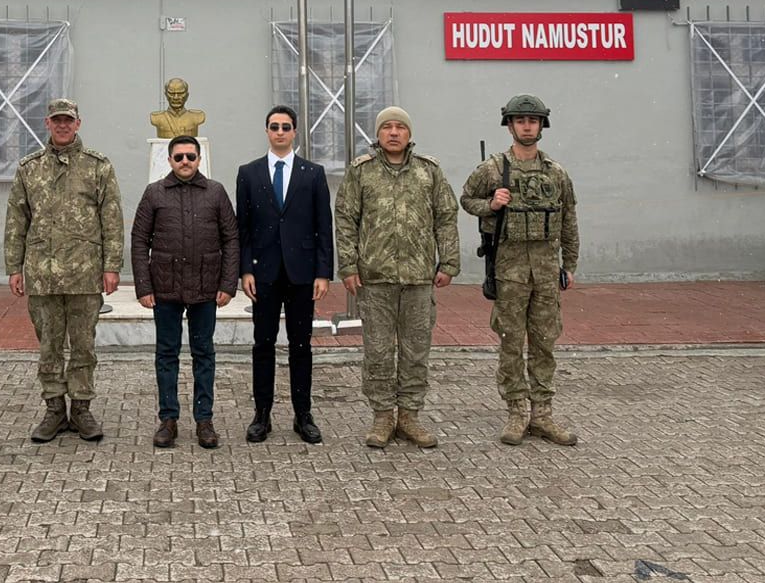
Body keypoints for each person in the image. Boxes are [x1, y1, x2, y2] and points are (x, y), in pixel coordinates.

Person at [334, 106, 460, 449]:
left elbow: (446, 217)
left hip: (418, 279)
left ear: (409, 133)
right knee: (377, 351)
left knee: (415, 351)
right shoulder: (361, 172)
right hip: (375, 279)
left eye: (399, 127)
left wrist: (448, 262)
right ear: (377, 134)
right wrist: (348, 266)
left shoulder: (428, 171)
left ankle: (409, 416)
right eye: (386, 127)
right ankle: (382, 416)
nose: (393, 132)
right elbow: (345, 219)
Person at [460, 94, 579, 447]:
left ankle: (542, 414)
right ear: (510, 125)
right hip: (510, 271)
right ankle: (516, 412)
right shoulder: (493, 169)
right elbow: (466, 200)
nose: (527, 126)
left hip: (546, 272)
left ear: (542, 125)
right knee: (511, 343)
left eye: (533, 120)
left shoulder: (556, 172)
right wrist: (491, 204)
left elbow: (569, 220)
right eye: (520, 120)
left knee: (544, 344)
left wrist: (570, 264)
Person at [4, 98, 124, 443]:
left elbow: (112, 219)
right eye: (57, 120)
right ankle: (55, 409)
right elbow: (16, 220)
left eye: (68, 120)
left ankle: (82, 409)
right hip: (43, 274)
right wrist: (14, 266)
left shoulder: (97, 166)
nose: (62, 126)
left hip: (85, 274)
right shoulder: (29, 168)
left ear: (78, 124)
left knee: (84, 345)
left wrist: (112, 266)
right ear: (47, 123)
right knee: (49, 347)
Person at [131, 135, 239, 449]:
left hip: (206, 287)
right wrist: (144, 286)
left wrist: (227, 284)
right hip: (165, 287)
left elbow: (231, 239)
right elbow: (139, 240)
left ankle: (204, 420)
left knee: (203, 354)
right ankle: (168, 419)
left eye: (190, 156)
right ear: (169, 160)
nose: (185, 162)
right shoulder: (154, 193)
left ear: (199, 159)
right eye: (178, 157)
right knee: (167, 354)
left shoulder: (215, 192)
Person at [235, 105, 333, 444]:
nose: (280, 132)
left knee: (300, 345)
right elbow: (243, 228)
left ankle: (303, 414)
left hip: (302, 273)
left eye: (286, 127)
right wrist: (245, 269)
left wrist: (323, 272)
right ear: (266, 131)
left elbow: (323, 225)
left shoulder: (313, 173)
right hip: (263, 272)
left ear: (295, 132)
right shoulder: (248, 173)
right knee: (263, 344)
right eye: (274, 126)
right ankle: (261, 415)